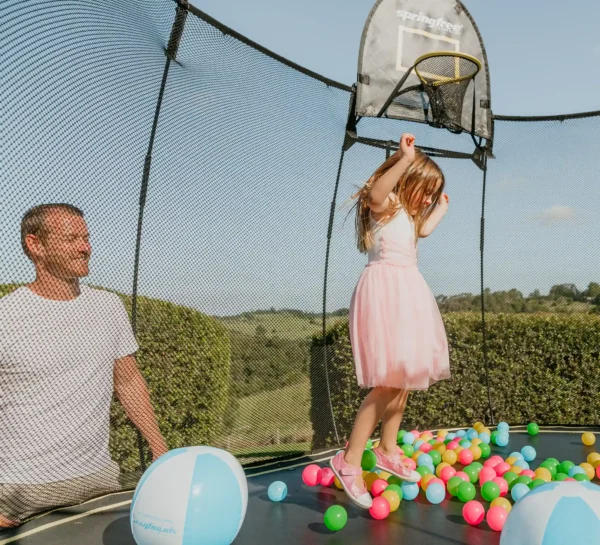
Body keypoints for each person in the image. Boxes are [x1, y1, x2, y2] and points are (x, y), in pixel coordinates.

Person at [0, 203, 168, 528]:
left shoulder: (108, 308)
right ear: (36, 245)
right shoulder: (6, 316)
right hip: (17, 494)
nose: (85, 247)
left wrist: (160, 448)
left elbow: (129, 381)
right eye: (72, 238)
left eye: (87, 237)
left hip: (98, 482)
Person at [329, 134, 451, 508]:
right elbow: (375, 193)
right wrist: (402, 157)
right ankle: (348, 460)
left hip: (408, 295)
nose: (428, 198)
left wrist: (440, 208)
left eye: (433, 193)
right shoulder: (389, 204)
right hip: (385, 294)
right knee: (386, 383)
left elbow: (425, 229)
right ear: (408, 181)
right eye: (426, 191)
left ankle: (386, 447)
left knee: (404, 381)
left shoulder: (411, 217)